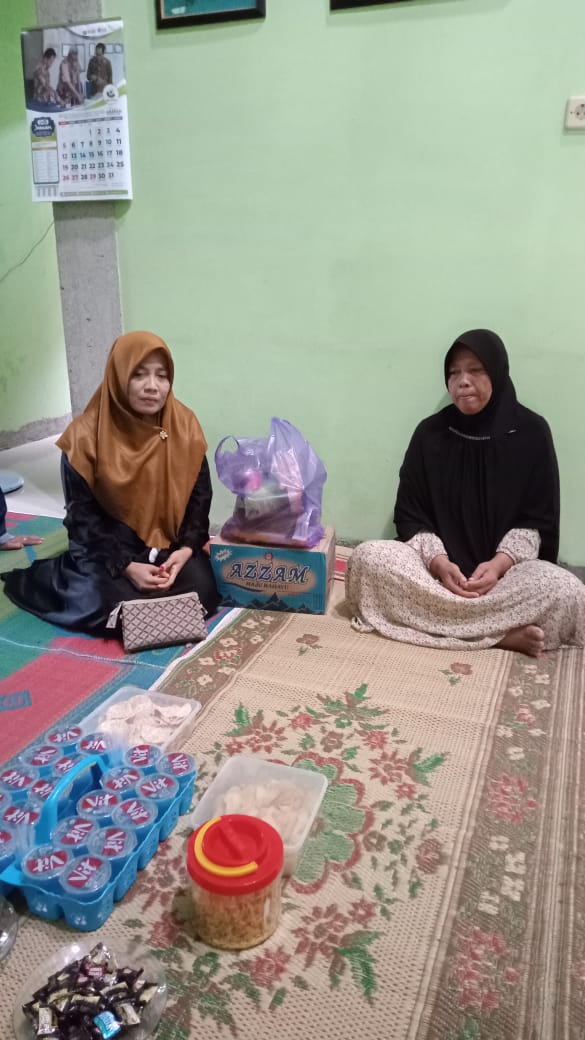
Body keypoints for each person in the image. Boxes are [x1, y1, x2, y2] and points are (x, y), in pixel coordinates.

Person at [346, 329, 585, 657]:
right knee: (367, 560)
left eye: (475, 370)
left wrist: (499, 565)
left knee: (566, 591)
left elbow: (537, 521)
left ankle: (447, 626)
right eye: (454, 372)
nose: (463, 382)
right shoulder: (431, 433)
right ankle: (500, 636)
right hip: (434, 580)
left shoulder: (531, 433)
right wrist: (440, 564)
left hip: (506, 580)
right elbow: (411, 514)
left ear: (497, 372)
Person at [2, 332, 219, 636]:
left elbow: (199, 496)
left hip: (168, 544)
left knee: (204, 589)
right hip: (107, 547)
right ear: (118, 376)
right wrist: (127, 566)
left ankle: (148, 609)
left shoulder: (184, 425)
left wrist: (185, 550)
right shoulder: (84, 438)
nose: (152, 386)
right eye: (138, 374)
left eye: (162, 375)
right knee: (98, 602)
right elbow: (82, 518)